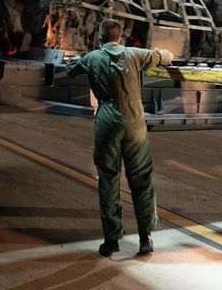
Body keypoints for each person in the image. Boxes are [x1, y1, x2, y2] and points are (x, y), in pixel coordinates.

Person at [65, 19, 173, 257]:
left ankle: (112, 241)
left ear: (100, 38)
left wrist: (75, 60)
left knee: (108, 180)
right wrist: (164, 53)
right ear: (120, 37)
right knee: (141, 178)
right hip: (135, 123)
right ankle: (146, 238)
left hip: (107, 123)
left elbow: (70, 70)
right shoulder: (134, 54)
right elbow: (165, 55)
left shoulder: (92, 57)